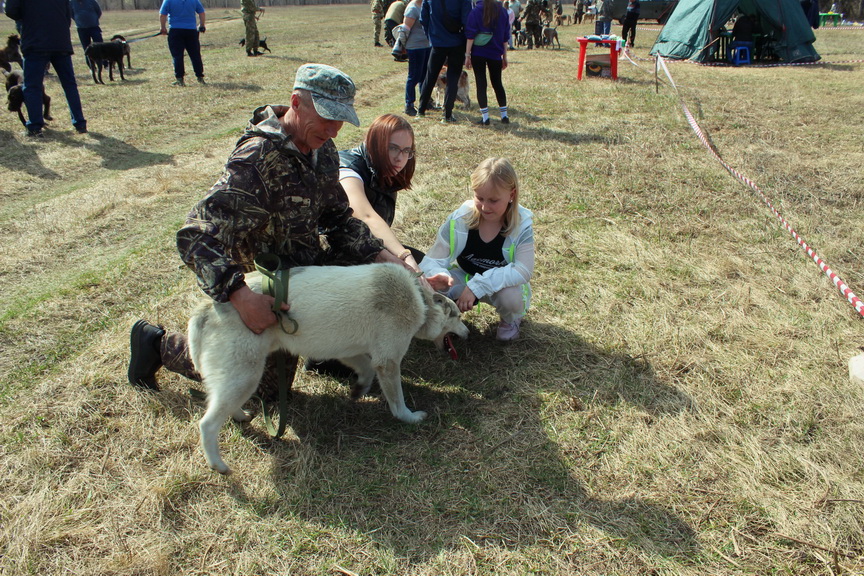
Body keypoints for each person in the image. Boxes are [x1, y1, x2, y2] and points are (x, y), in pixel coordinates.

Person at [127, 64, 442, 396]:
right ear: (295, 103)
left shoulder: (322, 150)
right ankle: (157, 345)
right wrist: (241, 296)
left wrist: (385, 257)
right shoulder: (257, 159)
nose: (334, 131)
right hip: (264, 287)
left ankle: (326, 351)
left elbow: (338, 219)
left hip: (304, 274)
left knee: (373, 280)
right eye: (327, 117)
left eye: (340, 120)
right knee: (262, 388)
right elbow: (195, 235)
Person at [420, 157, 534, 341]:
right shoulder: (460, 218)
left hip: (501, 286)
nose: (485, 207)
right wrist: (440, 275)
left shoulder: (521, 225)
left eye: (494, 200)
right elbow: (432, 260)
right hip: (465, 276)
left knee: (511, 297)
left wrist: (478, 286)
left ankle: (511, 319)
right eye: (479, 198)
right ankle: (447, 318)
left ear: (511, 194)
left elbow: (523, 270)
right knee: (430, 287)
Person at [4, 0, 87, 137]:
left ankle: (35, 127)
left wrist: (27, 16)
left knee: (32, 87)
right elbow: (68, 13)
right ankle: (80, 123)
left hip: (35, 41)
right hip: (60, 41)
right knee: (69, 84)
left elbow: (11, 10)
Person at [415, 0, 472, 123]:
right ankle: (447, 115)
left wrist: (431, 37)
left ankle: (421, 110)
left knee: (430, 76)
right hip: (457, 42)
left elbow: (423, 19)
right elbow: (467, 21)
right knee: (453, 79)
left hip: (437, 42)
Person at [464, 0, 510, 126]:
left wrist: (467, 55)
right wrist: (505, 56)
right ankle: (504, 115)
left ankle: (485, 118)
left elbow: (470, 36)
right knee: (497, 83)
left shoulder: (475, 11)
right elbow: (505, 37)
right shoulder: (502, 11)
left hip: (478, 52)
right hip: (496, 53)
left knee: (481, 83)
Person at [392, 0, 431, 115]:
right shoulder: (412, 8)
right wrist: (402, 46)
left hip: (426, 45)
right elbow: (404, 30)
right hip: (415, 47)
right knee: (414, 76)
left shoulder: (426, 4)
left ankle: (425, 101)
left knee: (425, 76)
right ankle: (409, 105)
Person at [159, 0, 206, 86]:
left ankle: (180, 79)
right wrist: (202, 25)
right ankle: (200, 76)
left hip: (175, 30)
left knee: (177, 56)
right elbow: (202, 13)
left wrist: (163, 28)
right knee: (195, 54)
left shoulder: (168, 1)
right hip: (191, 31)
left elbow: (162, 15)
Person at [70, 0, 104, 69]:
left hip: (94, 27)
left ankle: (105, 64)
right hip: (81, 29)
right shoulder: (71, 2)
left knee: (100, 46)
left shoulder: (91, 1)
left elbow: (98, 12)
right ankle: (91, 66)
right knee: (86, 48)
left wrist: (94, 19)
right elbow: (71, 14)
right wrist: (78, 20)